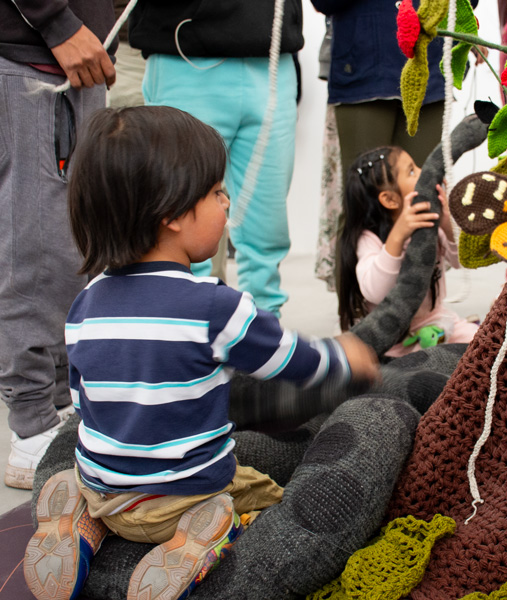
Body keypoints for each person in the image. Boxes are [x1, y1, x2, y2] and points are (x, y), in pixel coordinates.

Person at [23, 106, 380, 600]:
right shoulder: (214, 306)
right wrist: (345, 357)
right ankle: (204, 540)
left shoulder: (85, 307)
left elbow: (85, 406)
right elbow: (291, 361)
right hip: (184, 494)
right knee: (264, 494)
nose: (227, 204)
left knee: (100, 473)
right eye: (216, 193)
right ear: (170, 214)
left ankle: (82, 524)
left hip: (103, 487)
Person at [0, 0, 117, 490]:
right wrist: (58, 22)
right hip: (34, 53)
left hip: (81, 58)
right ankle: (31, 423)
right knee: (37, 243)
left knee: (79, 242)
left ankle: (62, 404)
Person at [127, 0, 303, 316]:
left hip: (272, 56)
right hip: (184, 54)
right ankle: (182, 332)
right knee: (178, 216)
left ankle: (263, 333)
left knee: (267, 222)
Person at [311, 0, 450, 291]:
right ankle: (355, 321)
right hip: (361, 67)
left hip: (429, 65)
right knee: (360, 204)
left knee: (426, 199)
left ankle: (423, 316)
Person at [336, 146, 479, 358]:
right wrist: (398, 236)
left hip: (438, 322)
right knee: (396, 374)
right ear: (390, 200)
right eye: (412, 171)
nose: (424, 172)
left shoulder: (431, 224)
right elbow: (374, 291)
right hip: (394, 339)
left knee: (485, 348)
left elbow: (462, 260)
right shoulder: (369, 239)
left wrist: (447, 223)